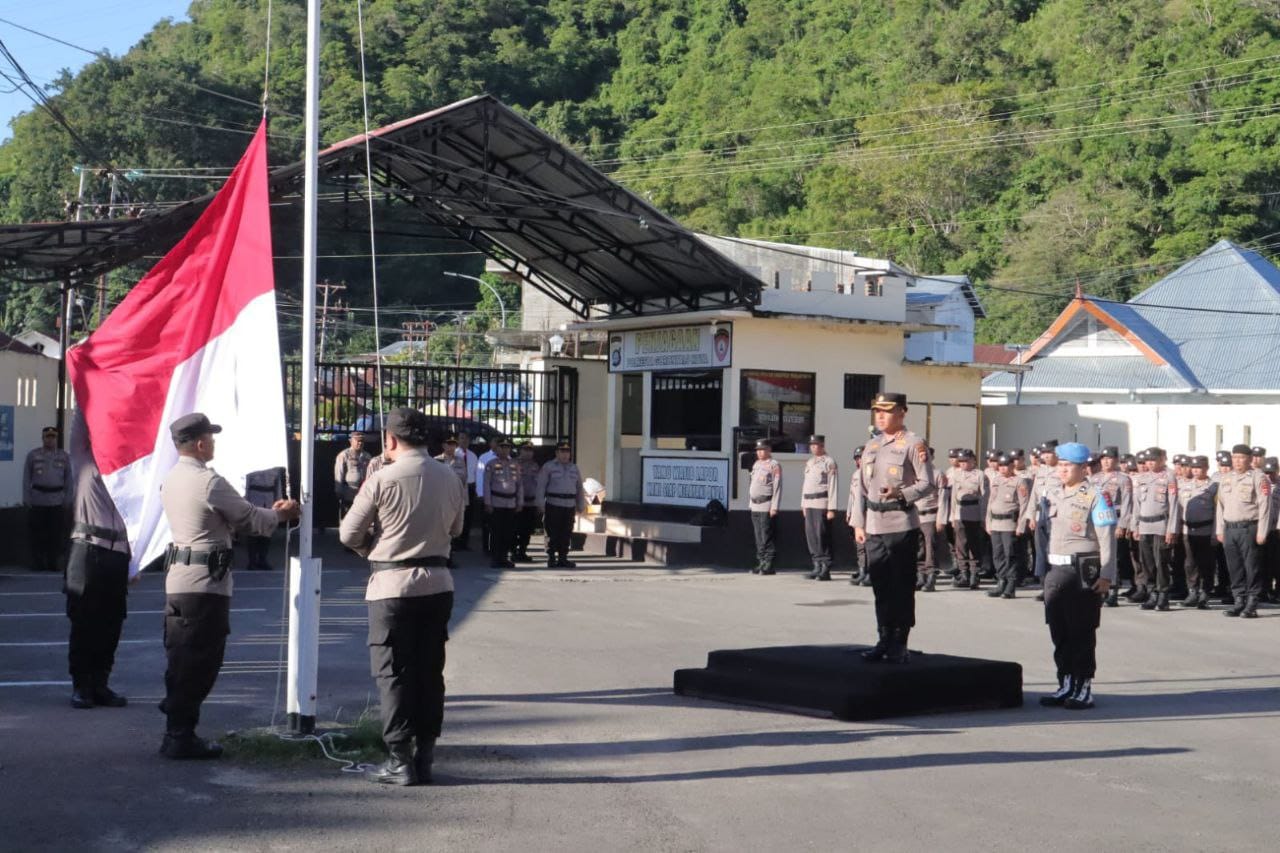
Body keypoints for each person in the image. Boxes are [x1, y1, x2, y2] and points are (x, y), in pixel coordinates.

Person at [159, 413, 300, 759]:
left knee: (182, 659)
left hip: (180, 581)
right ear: (201, 443)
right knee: (201, 661)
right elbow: (249, 518)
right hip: (204, 585)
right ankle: (181, 735)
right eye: (212, 437)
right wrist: (282, 514)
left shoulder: (172, 478)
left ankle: (176, 731)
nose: (215, 443)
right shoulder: (208, 482)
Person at [339, 408, 466, 786]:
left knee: (393, 673)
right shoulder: (451, 477)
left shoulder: (382, 477)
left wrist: (374, 550)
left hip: (391, 586)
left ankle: (399, 758)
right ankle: (425, 754)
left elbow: (348, 534)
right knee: (430, 671)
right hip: (438, 583)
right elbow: (457, 529)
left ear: (391, 441)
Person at [848, 392, 935, 664]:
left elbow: (928, 483)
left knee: (901, 585)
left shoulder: (913, 443)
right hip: (874, 524)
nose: (881, 416)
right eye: (877, 411)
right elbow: (860, 488)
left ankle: (900, 641)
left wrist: (901, 493)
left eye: (887, 411)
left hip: (900, 522)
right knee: (880, 585)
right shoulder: (872, 445)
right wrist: (858, 523)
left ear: (902, 413)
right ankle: (883, 637)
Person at [1037, 442, 1117, 711]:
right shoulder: (1053, 493)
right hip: (1056, 570)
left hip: (1083, 569)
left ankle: (1083, 687)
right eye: (1060, 465)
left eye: (1068, 466)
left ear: (1084, 468)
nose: (1062, 470)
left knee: (1081, 631)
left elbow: (1107, 538)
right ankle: (1066, 683)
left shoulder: (1096, 495)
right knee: (1058, 631)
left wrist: (1107, 574)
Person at [64, 412, 130, 710]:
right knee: (84, 621)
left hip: (118, 553)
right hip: (87, 549)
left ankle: (101, 682)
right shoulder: (83, 461)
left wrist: (135, 561)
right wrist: (83, 390)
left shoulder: (126, 471)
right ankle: (82, 685)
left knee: (112, 622)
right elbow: (80, 425)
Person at [1216, 444, 1272, 618]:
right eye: (1234, 457)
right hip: (1230, 529)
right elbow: (1220, 505)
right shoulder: (1226, 478)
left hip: (1249, 528)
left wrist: (1262, 531)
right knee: (1235, 568)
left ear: (1249, 459)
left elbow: (1265, 506)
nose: (1237, 461)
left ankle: (1252, 603)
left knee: (1251, 568)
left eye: (1241, 457)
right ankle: (1238, 601)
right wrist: (1219, 529)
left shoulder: (1258, 477)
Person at [1133, 447, 1181, 611]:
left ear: (1162, 460)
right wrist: (1135, 526)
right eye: (1148, 460)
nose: (1150, 463)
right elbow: (1137, 504)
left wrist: (1171, 529)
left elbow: (1174, 504)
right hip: (1144, 525)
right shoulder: (1142, 478)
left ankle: (1163, 595)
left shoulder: (1169, 477)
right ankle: (1152, 592)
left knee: (1161, 562)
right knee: (1147, 562)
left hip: (1161, 525)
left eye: (1154, 460)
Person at [24, 425, 72, 572]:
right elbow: (27, 478)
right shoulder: (33, 455)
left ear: (56, 439)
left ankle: (53, 563)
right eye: (47, 437)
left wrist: (68, 499)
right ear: (43, 438)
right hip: (38, 499)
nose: (50, 440)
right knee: (38, 533)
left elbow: (69, 479)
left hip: (57, 500)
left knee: (56, 534)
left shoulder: (64, 457)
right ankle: (38, 563)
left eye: (53, 437)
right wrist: (27, 498)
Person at [1090, 447, 1132, 607]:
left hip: (1115, 520)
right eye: (1103, 458)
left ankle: (1113, 590)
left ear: (1116, 460)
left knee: (1113, 556)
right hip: (1097, 522)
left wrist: (1123, 525)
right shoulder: (1094, 479)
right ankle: (1101, 588)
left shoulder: (1123, 479)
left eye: (1109, 458)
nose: (1105, 461)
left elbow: (1127, 504)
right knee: (1099, 556)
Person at [986, 451, 1029, 599]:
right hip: (996, 523)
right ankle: (1001, 581)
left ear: (1012, 466)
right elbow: (990, 502)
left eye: (1006, 465)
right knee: (997, 555)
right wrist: (988, 522)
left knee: (1010, 554)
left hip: (1009, 524)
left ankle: (1011, 585)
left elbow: (1024, 506)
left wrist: (1020, 526)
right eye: (1001, 466)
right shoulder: (997, 480)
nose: (1003, 468)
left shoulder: (1019, 481)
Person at [536, 440, 585, 568]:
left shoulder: (574, 468)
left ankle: (563, 558)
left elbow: (579, 487)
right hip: (553, 504)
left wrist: (581, 504)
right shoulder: (549, 467)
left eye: (567, 451)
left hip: (569, 505)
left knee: (566, 532)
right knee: (552, 532)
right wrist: (540, 503)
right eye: (562, 451)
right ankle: (551, 557)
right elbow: (541, 486)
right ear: (556, 453)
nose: (565, 454)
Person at [1178, 456, 1217, 609]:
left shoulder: (1213, 486)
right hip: (1188, 531)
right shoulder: (1185, 485)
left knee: (1206, 563)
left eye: (1198, 468)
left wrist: (1215, 533)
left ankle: (1205, 592)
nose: (1195, 470)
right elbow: (1180, 509)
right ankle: (1192, 591)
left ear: (1206, 468)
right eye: (1193, 467)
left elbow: (1217, 512)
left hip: (1206, 531)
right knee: (1190, 564)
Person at [947, 449, 989, 590]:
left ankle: (974, 575)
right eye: (961, 461)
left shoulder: (980, 475)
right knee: (960, 545)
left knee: (974, 544)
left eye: (966, 461)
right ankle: (963, 573)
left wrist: (983, 518)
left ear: (973, 461)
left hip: (974, 513)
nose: (963, 464)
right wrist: (952, 516)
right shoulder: (957, 474)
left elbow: (984, 498)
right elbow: (953, 496)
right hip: (960, 513)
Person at [801, 434, 838, 581]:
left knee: (822, 535)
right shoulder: (810, 462)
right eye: (811, 445)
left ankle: (825, 567)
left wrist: (831, 508)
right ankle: (816, 565)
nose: (813, 447)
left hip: (821, 502)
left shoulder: (829, 462)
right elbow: (805, 484)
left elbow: (833, 486)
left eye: (816, 445)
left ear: (822, 446)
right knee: (811, 536)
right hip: (809, 503)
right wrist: (803, 504)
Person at [483, 438, 522, 569]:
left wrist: (519, 502)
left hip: (510, 503)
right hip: (496, 502)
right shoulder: (491, 464)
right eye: (502, 447)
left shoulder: (515, 464)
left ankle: (504, 558)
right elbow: (486, 484)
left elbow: (519, 485)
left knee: (508, 532)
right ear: (497, 448)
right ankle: (495, 558)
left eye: (507, 447)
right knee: (496, 532)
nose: (505, 449)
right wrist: (487, 502)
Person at [747, 438, 783, 575]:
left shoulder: (774, 465)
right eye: (758, 450)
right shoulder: (756, 464)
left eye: (762, 450)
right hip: (755, 504)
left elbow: (777, 487)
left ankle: (769, 563)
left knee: (766, 534)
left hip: (766, 504)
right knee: (758, 536)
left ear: (769, 450)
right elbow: (753, 485)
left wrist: (774, 506)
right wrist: (750, 503)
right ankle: (761, 561)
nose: (760, 452)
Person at [915, 447, 948, 592]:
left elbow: (943, 498)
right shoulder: (913, 473)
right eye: (920, 456)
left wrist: (941, 519)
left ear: (931, 457)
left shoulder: (937, 474)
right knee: (918, 548)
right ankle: (920, 577)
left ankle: (931, 578)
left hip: (930, 515)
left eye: (926, 456)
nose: (922, 459)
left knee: (930, 548)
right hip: (915, 516)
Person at [244, 467, 286, 570]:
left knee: (267, 531)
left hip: (269, 498)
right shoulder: (251, 463)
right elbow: (245, 483)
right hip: (254, 497)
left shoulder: (274, 464)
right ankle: (252, 561)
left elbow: (278, 484)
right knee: (253, 530)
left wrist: (279, 502)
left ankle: (263, 560)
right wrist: (244, 501)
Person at [333, 432, 371, 522]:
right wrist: (338, 490)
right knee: (348, 519)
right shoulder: (344, 455)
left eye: (362, 441)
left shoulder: (367, 456)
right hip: (348, 492)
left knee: (361, 519)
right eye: (357, 441)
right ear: (351, 441)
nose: (360, 443)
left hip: (362, 492)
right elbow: (339, 474)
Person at [514, 443, 542, 562]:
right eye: (526, 450)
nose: (528, 452)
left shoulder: (535, 466)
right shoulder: (514, 464)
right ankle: (513, 551)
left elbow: (539, 485)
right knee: (515, 528)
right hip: (517, 503)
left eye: (530, 450)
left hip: (531, 503)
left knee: (528, 529)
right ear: (520, 451)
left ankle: (522, 551)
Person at [847, 446, 870, 586]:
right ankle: (862, 571)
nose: (859, 460)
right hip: (857, 512)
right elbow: (852, 496)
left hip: (868, 513)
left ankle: (871, 572)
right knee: (860, 545)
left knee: (870, 544)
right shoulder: (855, 475)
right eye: (857, 458)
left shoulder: (870, 473)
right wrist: (849, 512)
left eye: (861, 457)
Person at [455, 432, 480, 550]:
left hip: (469, 487)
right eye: (461, 438)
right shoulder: (454, 454)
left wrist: (476, 489)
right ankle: (455, 542)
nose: (464, 441)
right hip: (457, 487)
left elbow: (476, 473)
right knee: (457, 515)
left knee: (468, 516)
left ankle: (464, 542)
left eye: (466, 439)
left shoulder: (473, 456)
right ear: (457, 440)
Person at [475, 441, 498, 554]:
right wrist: (481, 494)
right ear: (491, 444)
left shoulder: (508, 457)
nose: (497, 445)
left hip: (501, 496)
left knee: (498, 524)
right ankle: (486, 547)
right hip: (487, 495)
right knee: (487, 523)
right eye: (495, 442)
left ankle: (496, 547)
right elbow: (480, 476)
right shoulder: (484, 457)